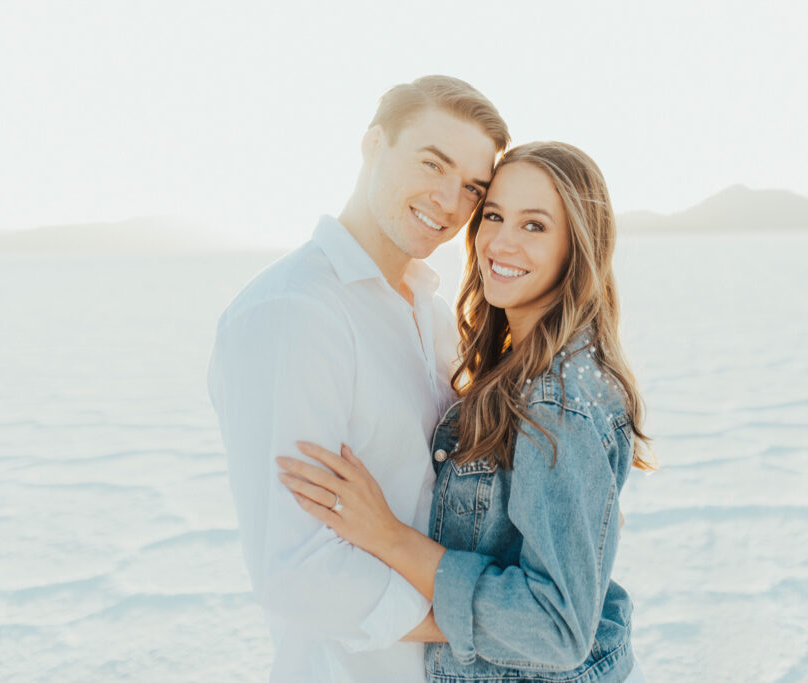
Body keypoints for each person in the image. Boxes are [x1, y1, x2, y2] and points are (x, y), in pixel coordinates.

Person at [277, 142, 652, 682]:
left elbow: (557, 630)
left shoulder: (558, 402)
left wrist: (386, 535)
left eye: (535, 226)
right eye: (494, 216)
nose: (500, 241)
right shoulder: (520, 368)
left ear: (578, 247)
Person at [207, 75, 509, 682]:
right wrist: (496, 623)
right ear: (373, 145)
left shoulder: (427, 306)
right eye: (432, 163)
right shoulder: (296, 313)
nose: (449, 203)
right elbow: (297, 569)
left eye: (472, 189)